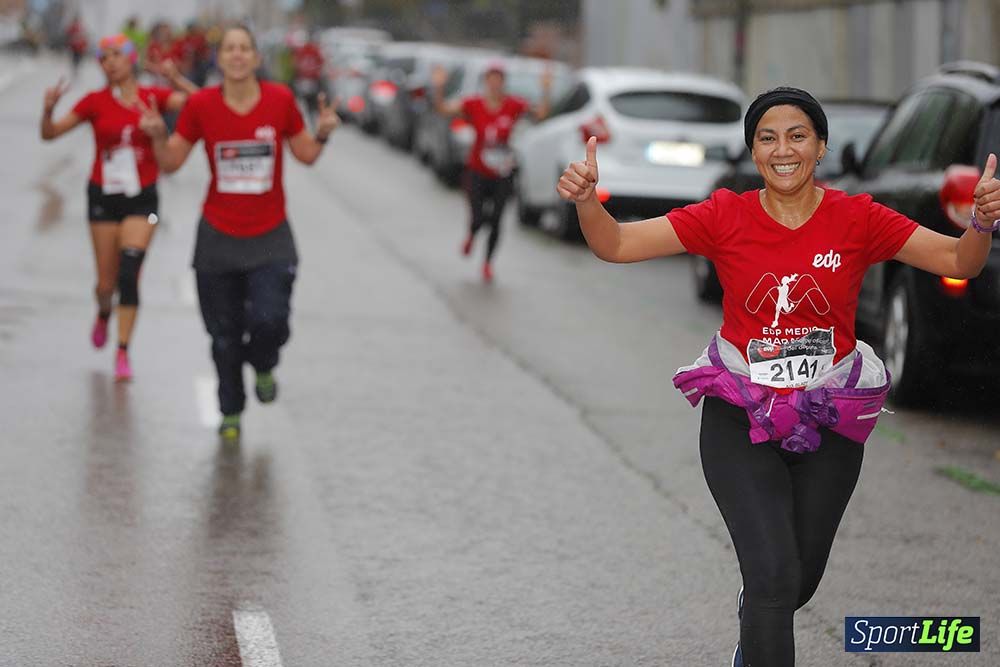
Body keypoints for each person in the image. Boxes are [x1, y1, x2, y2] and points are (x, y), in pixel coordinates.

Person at [557, 87, 1000, 667]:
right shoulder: (725, 214)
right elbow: (616, 244)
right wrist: (590, 202)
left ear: (821, 147)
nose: (782, 149)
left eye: (797, 136)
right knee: (772, 576)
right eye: (767, 137)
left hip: (830, 418)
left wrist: (982, 224)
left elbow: (957, 262)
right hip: (740, 414)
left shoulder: (858, 217)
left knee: (795, 583)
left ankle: (756, 626)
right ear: (754, 151)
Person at [139, 25, 341, 443]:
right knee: (223, 336)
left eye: (244, 48)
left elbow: (304, 154)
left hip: (270, 235)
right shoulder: (202, 105)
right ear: (221, 58)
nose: (236, 55)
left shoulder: (280, 100)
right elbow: (172, 162)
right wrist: (159, 136)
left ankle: (264, 363)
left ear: (254, 58)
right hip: (218, 236)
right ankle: (231, 410)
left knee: (270, 320)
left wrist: (321, 132)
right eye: (229, 49)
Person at [40, 33, 197, 381]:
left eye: (116, 54)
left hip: (144, 199)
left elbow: (201, 104)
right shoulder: (94, 102)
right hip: (103, 197)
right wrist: (48, 110)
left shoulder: (151, 97)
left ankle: (123, 350)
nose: (110, 61)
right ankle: (103, 311)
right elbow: (49, 134)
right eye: (103, 56)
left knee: (130, 272)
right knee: (106, 282)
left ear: (132, 59)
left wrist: (173, 79)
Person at [431, 60, 553, 282]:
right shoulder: (473, 104)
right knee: (478, 217)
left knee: (497, 219)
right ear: (486, 82)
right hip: (477, 171)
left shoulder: (513, 105)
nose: (495, 84)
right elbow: (443, 109)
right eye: (491, 80)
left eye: (499, 80)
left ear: (503, 83)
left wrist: (545, 89)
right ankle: (472, 234)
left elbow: (541, 113)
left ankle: (487, 263)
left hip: (502, 173)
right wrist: (439, 86)